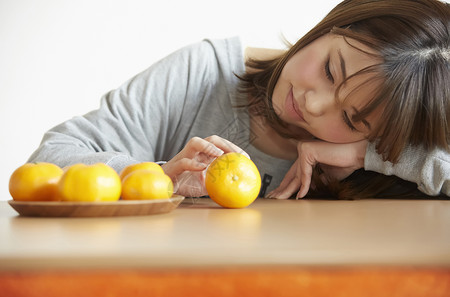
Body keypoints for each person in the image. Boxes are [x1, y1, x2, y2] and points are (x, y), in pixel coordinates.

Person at [28, 0, 450, 199]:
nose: (315, 104)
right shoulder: (203, 72)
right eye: (328, 70)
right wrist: (159, 177)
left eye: (353, 119)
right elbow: (50, 157)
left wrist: (369, 155)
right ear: (331, 25)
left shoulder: (385, 151)